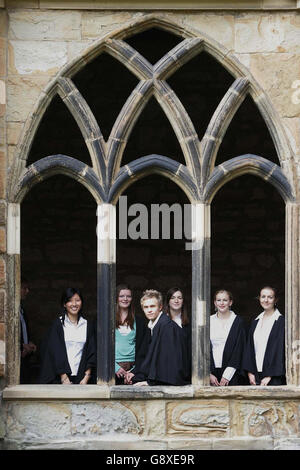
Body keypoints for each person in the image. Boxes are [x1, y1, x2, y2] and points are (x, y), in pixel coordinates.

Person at [125, 289, 188, 386]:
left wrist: (150, 382)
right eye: (146, 307)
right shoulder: (153, 326)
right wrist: (136, 374)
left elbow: (169, 362)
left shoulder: (167, 327)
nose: (149, 310)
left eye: (152, 306)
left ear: (160, 307)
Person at [39, 287, 96, 384]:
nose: (74, 304)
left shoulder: (87, 325)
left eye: (77, 300)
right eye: (70, 301)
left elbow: (92, 352)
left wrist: (86, 377)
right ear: (64, 304)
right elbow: (54, 352)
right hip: (61, 378)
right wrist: (63, 377)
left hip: (82, 377)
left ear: (81, 303)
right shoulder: (58, 325)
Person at [243, 286, 285, 386]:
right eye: (263, 297)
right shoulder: (255, 321)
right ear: (259, 299)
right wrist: (250, 372)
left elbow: (280, 351)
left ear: (275, 300)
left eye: (270, 297)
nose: (266, 300)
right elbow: (250, 348)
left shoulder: (281, 322)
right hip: (255, 375)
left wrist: (270, 375)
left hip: (273, 376)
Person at [210, 289, 246, 386]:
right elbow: (202, 348)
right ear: (215, 302)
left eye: (225, 300)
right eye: (218, 300)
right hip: (211, 373)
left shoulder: (238, 322)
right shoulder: (208, 321)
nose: (222, 303)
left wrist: (227, 375)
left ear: (230, 302)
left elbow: (239, 350)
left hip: (232, 373)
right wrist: (208, 373)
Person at [115, 284, 148, 385]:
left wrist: (134, 371)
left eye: (128, 296)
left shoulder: (140, 322)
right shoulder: (108, 321)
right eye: (121, 296)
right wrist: (115, 368)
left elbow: (144, 349)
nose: (125, 299)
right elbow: (101, 348)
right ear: (116, 298)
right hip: (114, 370)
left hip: (133, 370)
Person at [164, 287, 191, 383]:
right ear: (168, 301)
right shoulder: (161, 322)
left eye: (179, 298)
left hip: (184, 373)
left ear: (183, 301)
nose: (176, 300)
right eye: (173, 298)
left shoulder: (189, 324)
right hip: (164, 372)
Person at [20, 278, 37, 384]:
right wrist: (21, 346)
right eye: (24, 288)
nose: (27, 291)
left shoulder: (22, 310)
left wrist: (29, 343)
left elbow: (23, 332)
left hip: (25, 358)